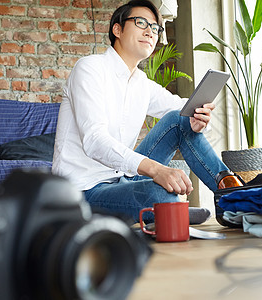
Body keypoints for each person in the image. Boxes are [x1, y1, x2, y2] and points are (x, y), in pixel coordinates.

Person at [52, 0, 243, 224]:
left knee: (179, 119)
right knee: (159, 194)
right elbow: (94, 140)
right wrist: (157, 170)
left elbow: (182, 110)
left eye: (155, 28)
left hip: (122, 181)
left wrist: (200, 117)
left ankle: (233, 199)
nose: (150, 32)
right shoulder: (90, 69)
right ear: (118, 29)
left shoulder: (141, 83)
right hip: (82, 191)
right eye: (141, 22)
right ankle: (171, 208)